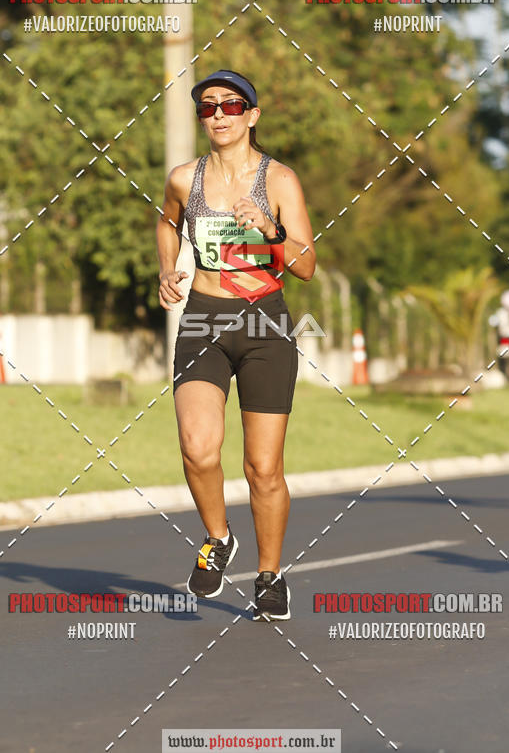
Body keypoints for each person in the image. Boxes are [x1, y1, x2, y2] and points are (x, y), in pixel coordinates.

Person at [156, 70, 316, 620]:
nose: (219, 114)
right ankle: (219, 538)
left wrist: (271, 231)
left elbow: (307, 267)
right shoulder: (185, 179)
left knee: (262, 468)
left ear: (252, 114)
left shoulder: (280, 181)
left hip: (265, 326)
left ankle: (270, 575)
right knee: (198, 449)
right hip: (203, 318)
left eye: (230, 104)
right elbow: (166, 223)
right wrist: (166, 270)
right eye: (208, 107)